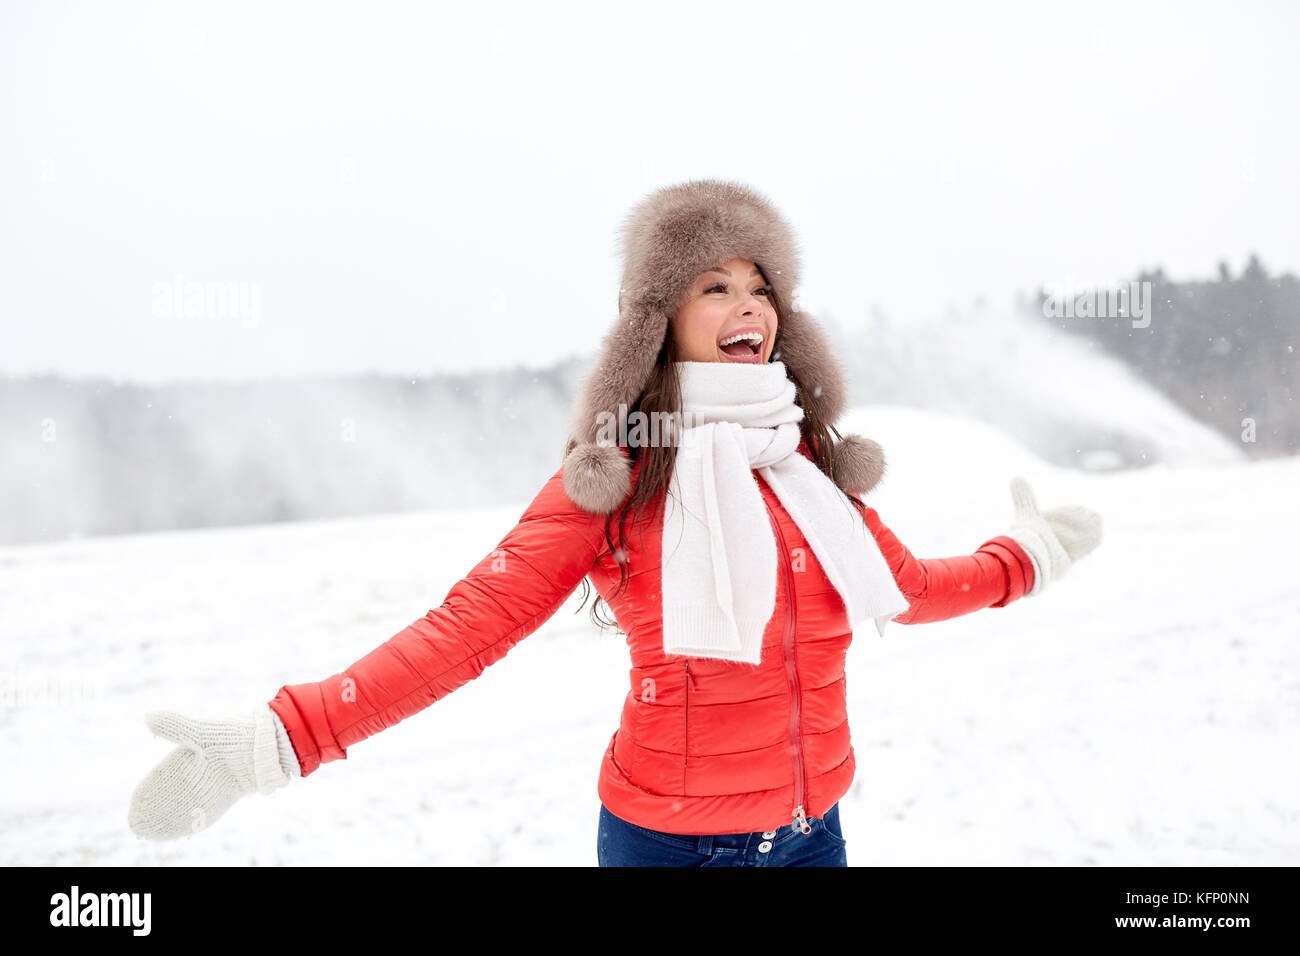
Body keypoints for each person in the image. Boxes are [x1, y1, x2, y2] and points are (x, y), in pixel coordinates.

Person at [127, 179, 1102, 866]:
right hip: (672, 847)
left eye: (758, 283)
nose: (744, 302)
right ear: (658, 318)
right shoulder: (621, 475)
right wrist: (284, 735)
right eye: (711, 284)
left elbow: (911, 586)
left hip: (815, 834)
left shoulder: (804, 467)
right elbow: (465, 627)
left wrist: (1024, 556)